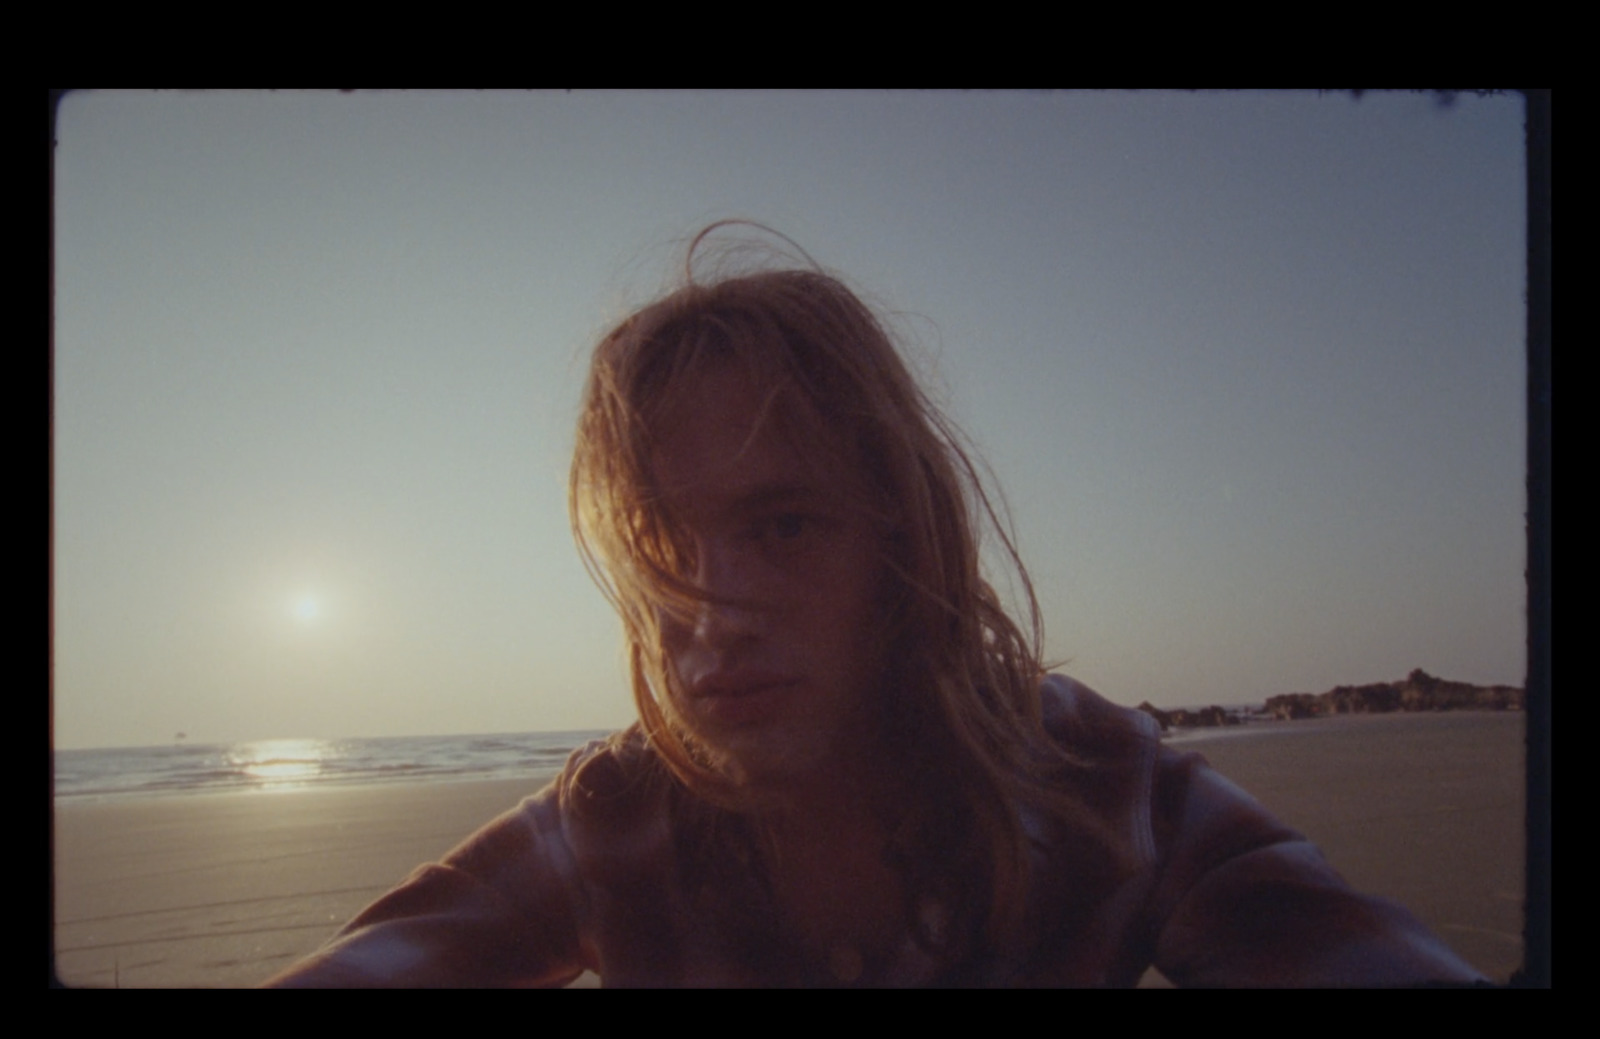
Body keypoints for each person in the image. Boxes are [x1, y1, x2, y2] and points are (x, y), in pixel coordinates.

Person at [266, 225, 1485, 987]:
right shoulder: (613, 825)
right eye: (660, 543)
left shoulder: (1110, 788)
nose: (717, 607)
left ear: (902, 536)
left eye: (783, 525)